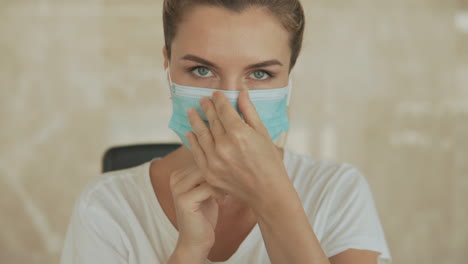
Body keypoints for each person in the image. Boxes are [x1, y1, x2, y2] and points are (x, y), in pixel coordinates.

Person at [60, 1, 392, 263]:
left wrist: (272, 199)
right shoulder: (106, 206)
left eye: (260, 74)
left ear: (289, 77)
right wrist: (189, 251)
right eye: (201, 70)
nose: (228, 103)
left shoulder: (338, 192)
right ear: (167, 65)